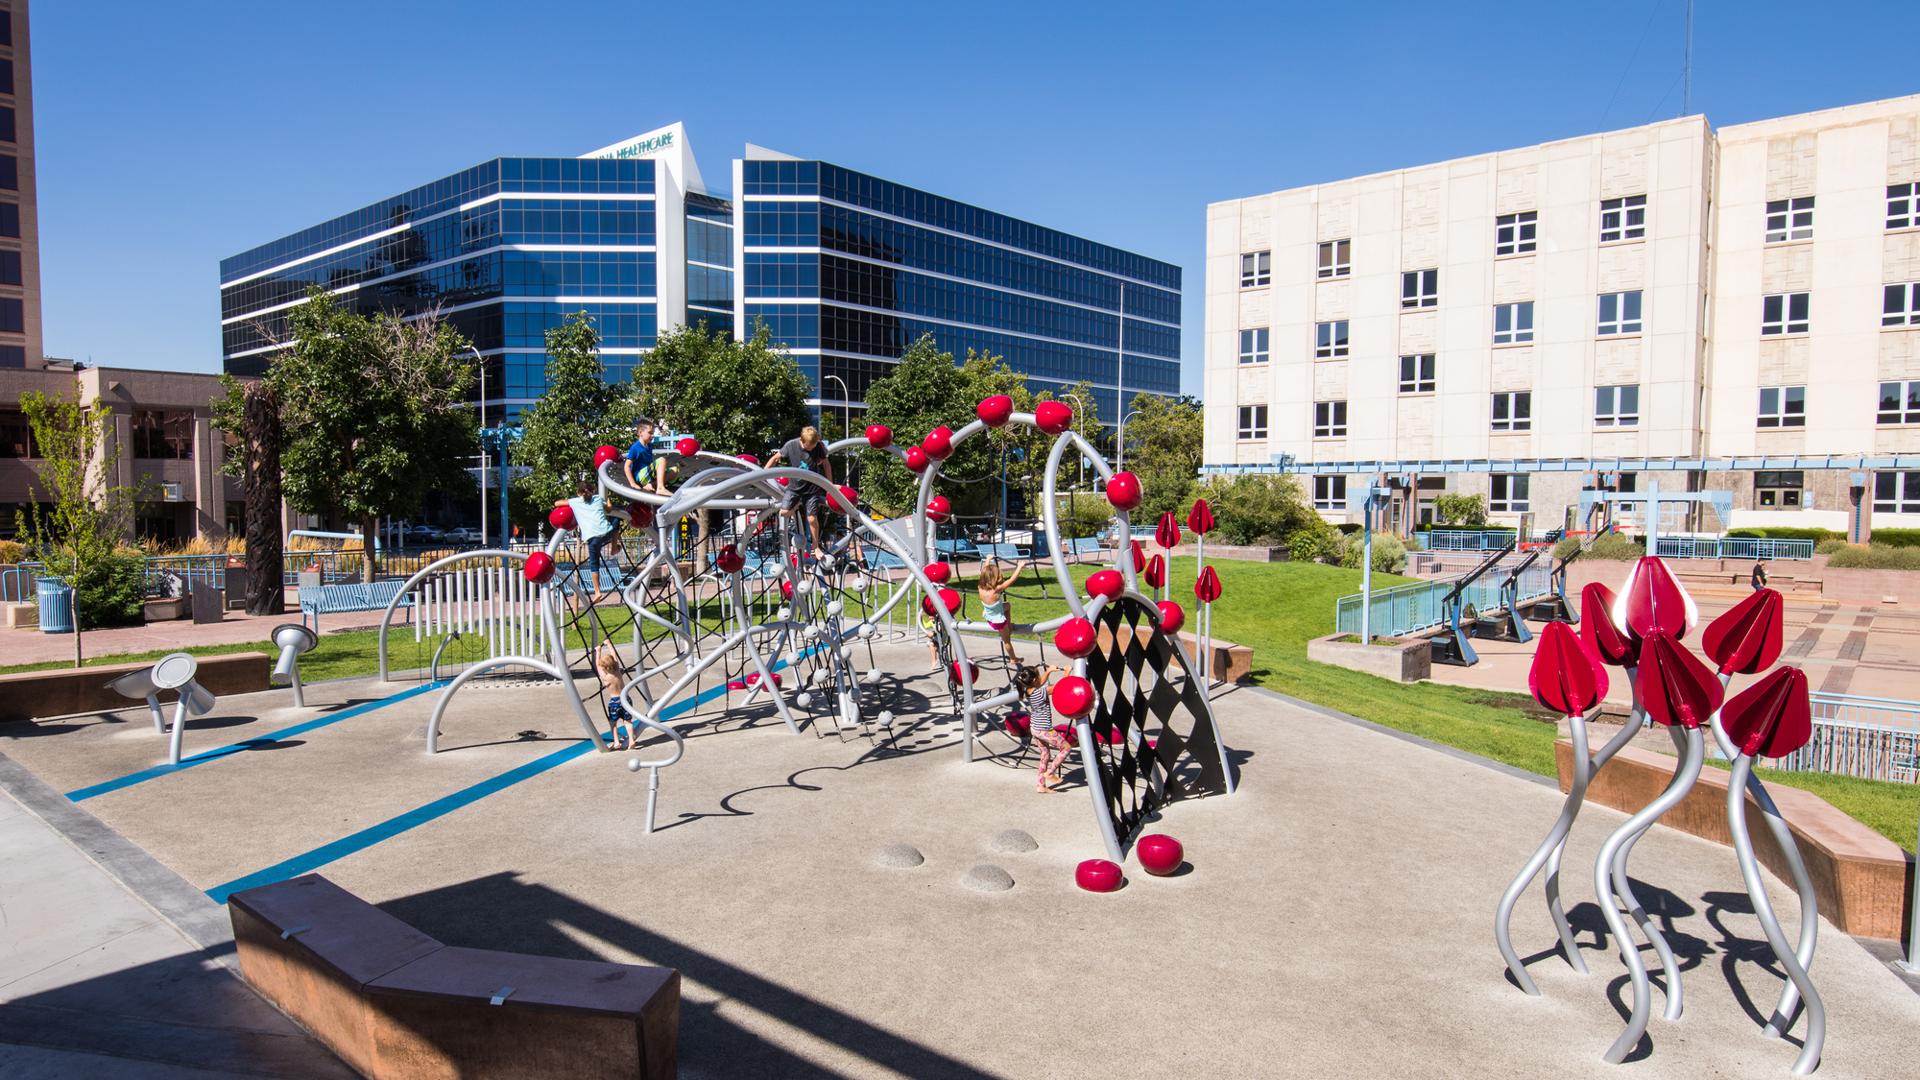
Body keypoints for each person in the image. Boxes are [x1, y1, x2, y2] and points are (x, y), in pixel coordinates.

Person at [770, 425, 833, 558]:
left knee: (811, 519)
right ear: (802, 441)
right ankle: (797, 504)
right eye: (809, 447)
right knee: (784, 512)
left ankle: (816, 547)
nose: (812, 448)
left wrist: (829, 485)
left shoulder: (819, 446)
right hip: (794, 488)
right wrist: (763, 474)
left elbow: (826, 464)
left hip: (812, 489)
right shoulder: (791, 445)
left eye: (814, 446)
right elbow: (775, 458)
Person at [560, 485, 623, 604]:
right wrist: (608, 498)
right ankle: (614, 547)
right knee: (615, 518)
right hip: (606, 533)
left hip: (592, 538)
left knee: (594, 565)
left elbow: (557, 503)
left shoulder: (575, 501)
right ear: (592, 491)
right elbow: (609, 509)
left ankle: (597, 591)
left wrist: (569, 502)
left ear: (579, 493)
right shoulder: (598, 498)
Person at [1015, 663, 1071, 792]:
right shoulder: (1041, 692)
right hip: (1045, 730)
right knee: (1066, 748)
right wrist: (1067, 672)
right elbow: (1061, 687)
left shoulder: (1028, 690)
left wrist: (1049, 671)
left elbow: (1039, 682)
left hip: (1035, 728)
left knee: (1045, 754)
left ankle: (1041, 785)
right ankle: (1050, 772)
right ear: (1034, 680)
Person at [976, 557, 1023, 661]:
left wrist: (987, 560)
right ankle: (1013, 658)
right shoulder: (996, 590)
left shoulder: (980, 587)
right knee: (1007, 641)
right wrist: (1019, 567)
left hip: (989, 616)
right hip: (998, 621)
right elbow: (1012, 579)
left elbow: (983, 572)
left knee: (1007, 605)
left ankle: (1009, 625)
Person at [595, 644, 636, 750]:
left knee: (613, 723)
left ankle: (616, 741)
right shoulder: (618, 672)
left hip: (614, 702)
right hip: (625, 699)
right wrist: (609, 644)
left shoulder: (605, 677)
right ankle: (631, 740)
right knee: (628, 721)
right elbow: (614, 655)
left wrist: (598, 651)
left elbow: (597, 666)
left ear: (604, 668)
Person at [623, 416, 667, 495]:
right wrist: (633, 483)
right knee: (662, 460)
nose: (652, 435)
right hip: (640, 476)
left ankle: (650, 485)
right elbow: (627, 466)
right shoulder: (635, 448)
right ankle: (660, 488)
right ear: (640, 433)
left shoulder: (649, 446)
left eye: (652, 433)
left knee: (675, 470)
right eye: (650, 433)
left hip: (648, 475)